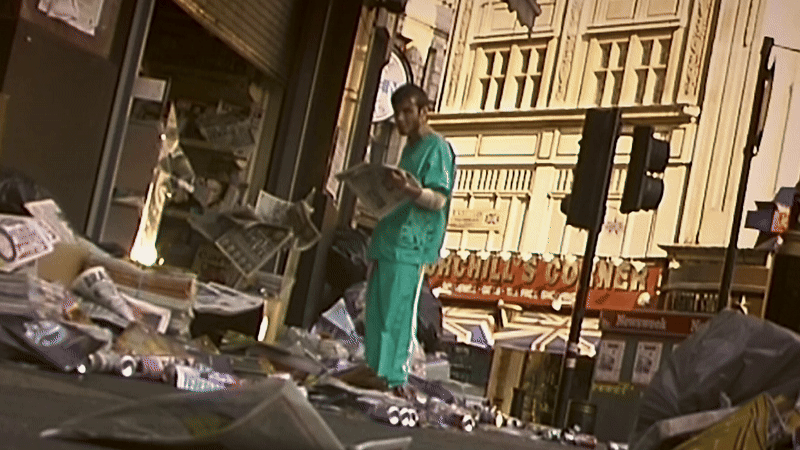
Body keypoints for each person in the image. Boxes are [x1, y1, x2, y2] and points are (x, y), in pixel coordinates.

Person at [365, 83, 455, 391]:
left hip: (410, 246)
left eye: (407, 112)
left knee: (398, 313)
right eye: (397, 113)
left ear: (424, 112)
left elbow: (438, 198)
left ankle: (393, 376)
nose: (401, 120)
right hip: (390, 240)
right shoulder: (408, 149)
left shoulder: (437, 148)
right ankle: (376, 370)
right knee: (376, 311)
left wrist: (409, 190)